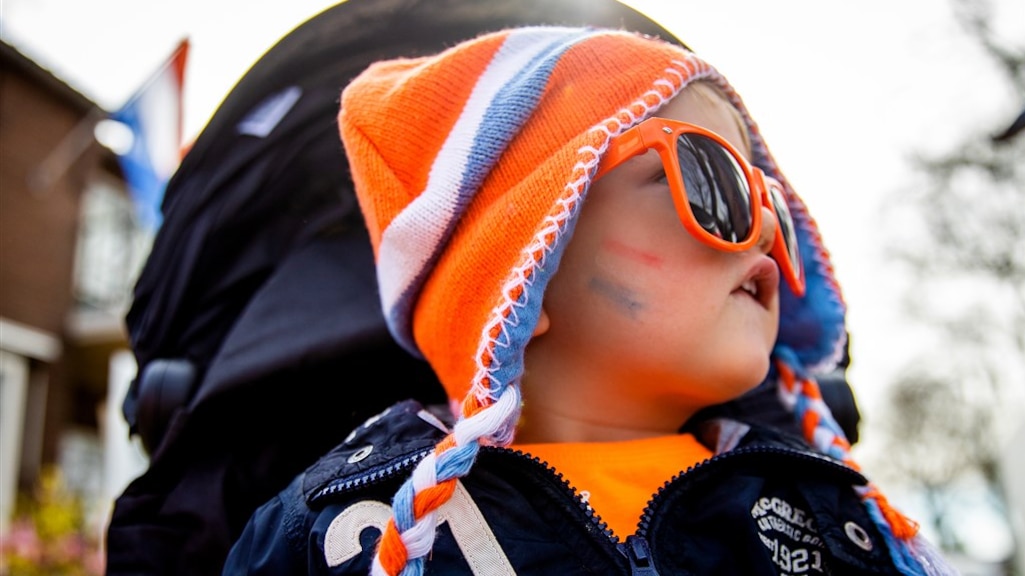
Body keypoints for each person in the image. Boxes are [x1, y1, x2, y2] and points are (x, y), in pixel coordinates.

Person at [222, 26, 957, 575]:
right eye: (713, 183)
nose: (766, 229)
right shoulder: (344, 531)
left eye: (771, 201)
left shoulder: (834, 513)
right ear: (524, 274)